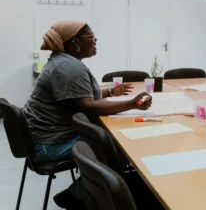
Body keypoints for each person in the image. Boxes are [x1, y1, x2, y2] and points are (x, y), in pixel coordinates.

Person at [22, 20, 152, 210]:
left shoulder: (62, 62)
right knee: (125, 149)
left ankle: (83, 193)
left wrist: (109, 93)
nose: (95, 40)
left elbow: (77, 96)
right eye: (91, 37)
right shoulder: (68, 68)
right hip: (50, 144)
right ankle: (79, 195)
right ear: (75, 42)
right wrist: (133, 104)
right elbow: (88, 106)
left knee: (113, 142)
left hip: (44, 138)